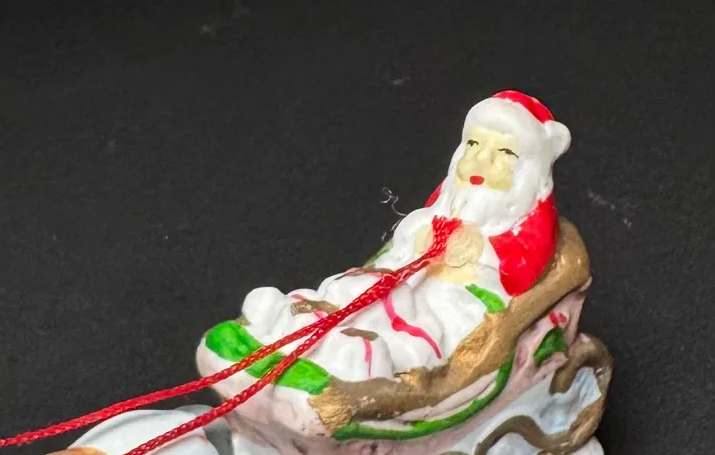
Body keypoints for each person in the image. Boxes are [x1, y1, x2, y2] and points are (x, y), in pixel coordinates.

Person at [239, 91, 572, 382]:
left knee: (405, 321)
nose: (481, 160)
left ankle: (360, 355)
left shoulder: (514, 234)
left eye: (505, 153)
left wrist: (469, 262)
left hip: (445, 310)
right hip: (394, 282)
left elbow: (505, 288)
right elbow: (392, 256)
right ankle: (297, 319)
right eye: (473, 144)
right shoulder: (437, 212)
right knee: (356, 288)